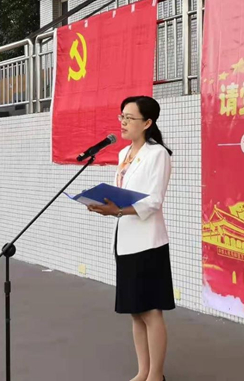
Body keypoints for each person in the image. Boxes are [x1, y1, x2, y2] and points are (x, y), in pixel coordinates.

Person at [88, 95, 174, 381]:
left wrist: (117, 210)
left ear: (147, 123)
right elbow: (122, 194)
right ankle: (143, 371)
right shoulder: (124, 153)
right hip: (124, 239)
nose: (123, 122)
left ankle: (156, 375)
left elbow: (153, 201)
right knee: (135, 312)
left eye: (129, 117)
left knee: (150, 311)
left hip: (148, 243)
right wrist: (105, 204)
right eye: (121, 116)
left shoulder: (158, 154)